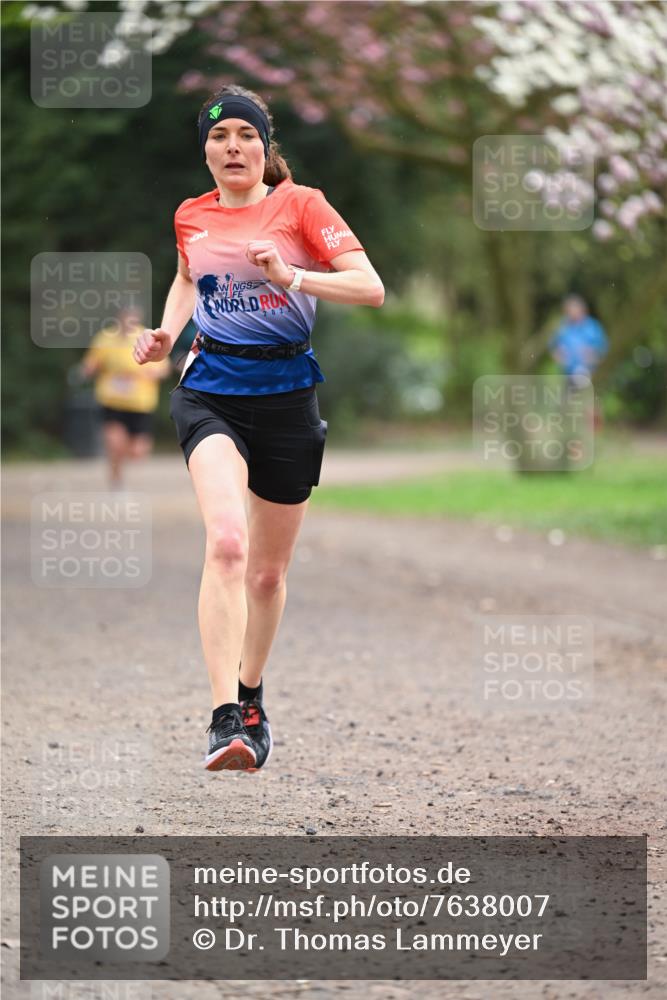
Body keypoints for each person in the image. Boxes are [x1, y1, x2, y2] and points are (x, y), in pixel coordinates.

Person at [133, 84, 384, 773]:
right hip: (209, 389)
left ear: (264, 146)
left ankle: (251, 697)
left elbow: (369, 287)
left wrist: (292, 276)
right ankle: (224, 720)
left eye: (246, 134)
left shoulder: (302, 206)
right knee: (226, 543)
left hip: (287, 397)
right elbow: (188, 278)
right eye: (219, 136)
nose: (233, 146)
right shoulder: (190, 214)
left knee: (267, 576)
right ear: (206, 151)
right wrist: (167, 332)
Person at [80, 307, 171, 489]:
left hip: (141, 403)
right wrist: (87, 371)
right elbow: (90, 364)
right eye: (125, 319)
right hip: (112, 400)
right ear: (119, 319)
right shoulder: (105, 338)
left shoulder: (148, 339)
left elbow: (164, 369)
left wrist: (148, 374)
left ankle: (120, 459)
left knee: (138, 452)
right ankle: (115, 478)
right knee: (115, 443)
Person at [549, 295, 609, 388]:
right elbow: (552, 346)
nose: (571, 314)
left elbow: (603, 348)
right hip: (566, 374)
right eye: (568, 311)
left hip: (589, 373)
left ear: (582, 310)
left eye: (573, 310)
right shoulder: (562, 326)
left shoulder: (593, 327)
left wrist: (594, 354)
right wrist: (558, 355)